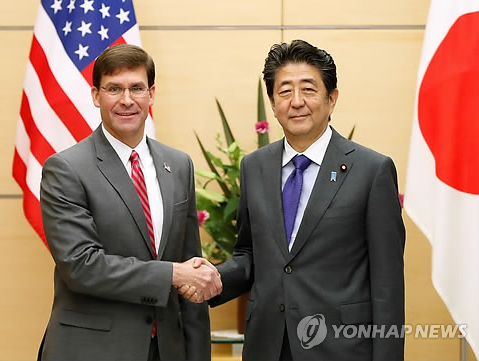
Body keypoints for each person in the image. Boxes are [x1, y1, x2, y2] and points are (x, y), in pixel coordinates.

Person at [195, 40, 405, 360]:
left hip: (341, 348)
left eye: (308, 89)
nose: (296, 102)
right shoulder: (254, 167)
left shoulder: (371, 171)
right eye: (284, 91)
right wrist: (213, 279)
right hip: (268, 346)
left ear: (331, 99)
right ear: (272, 102)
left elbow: (388, 286)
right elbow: (251, 253)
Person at [38, 43, 221, 361]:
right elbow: (82, 266)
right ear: (96, 96)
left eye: (136, 88)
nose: (126, 100)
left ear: (151, 94)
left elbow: (190, 266)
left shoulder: (178, 165)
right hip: (93, 351)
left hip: (166, 350)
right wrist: (173, 275)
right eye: (114, 89)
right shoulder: (66, 169)